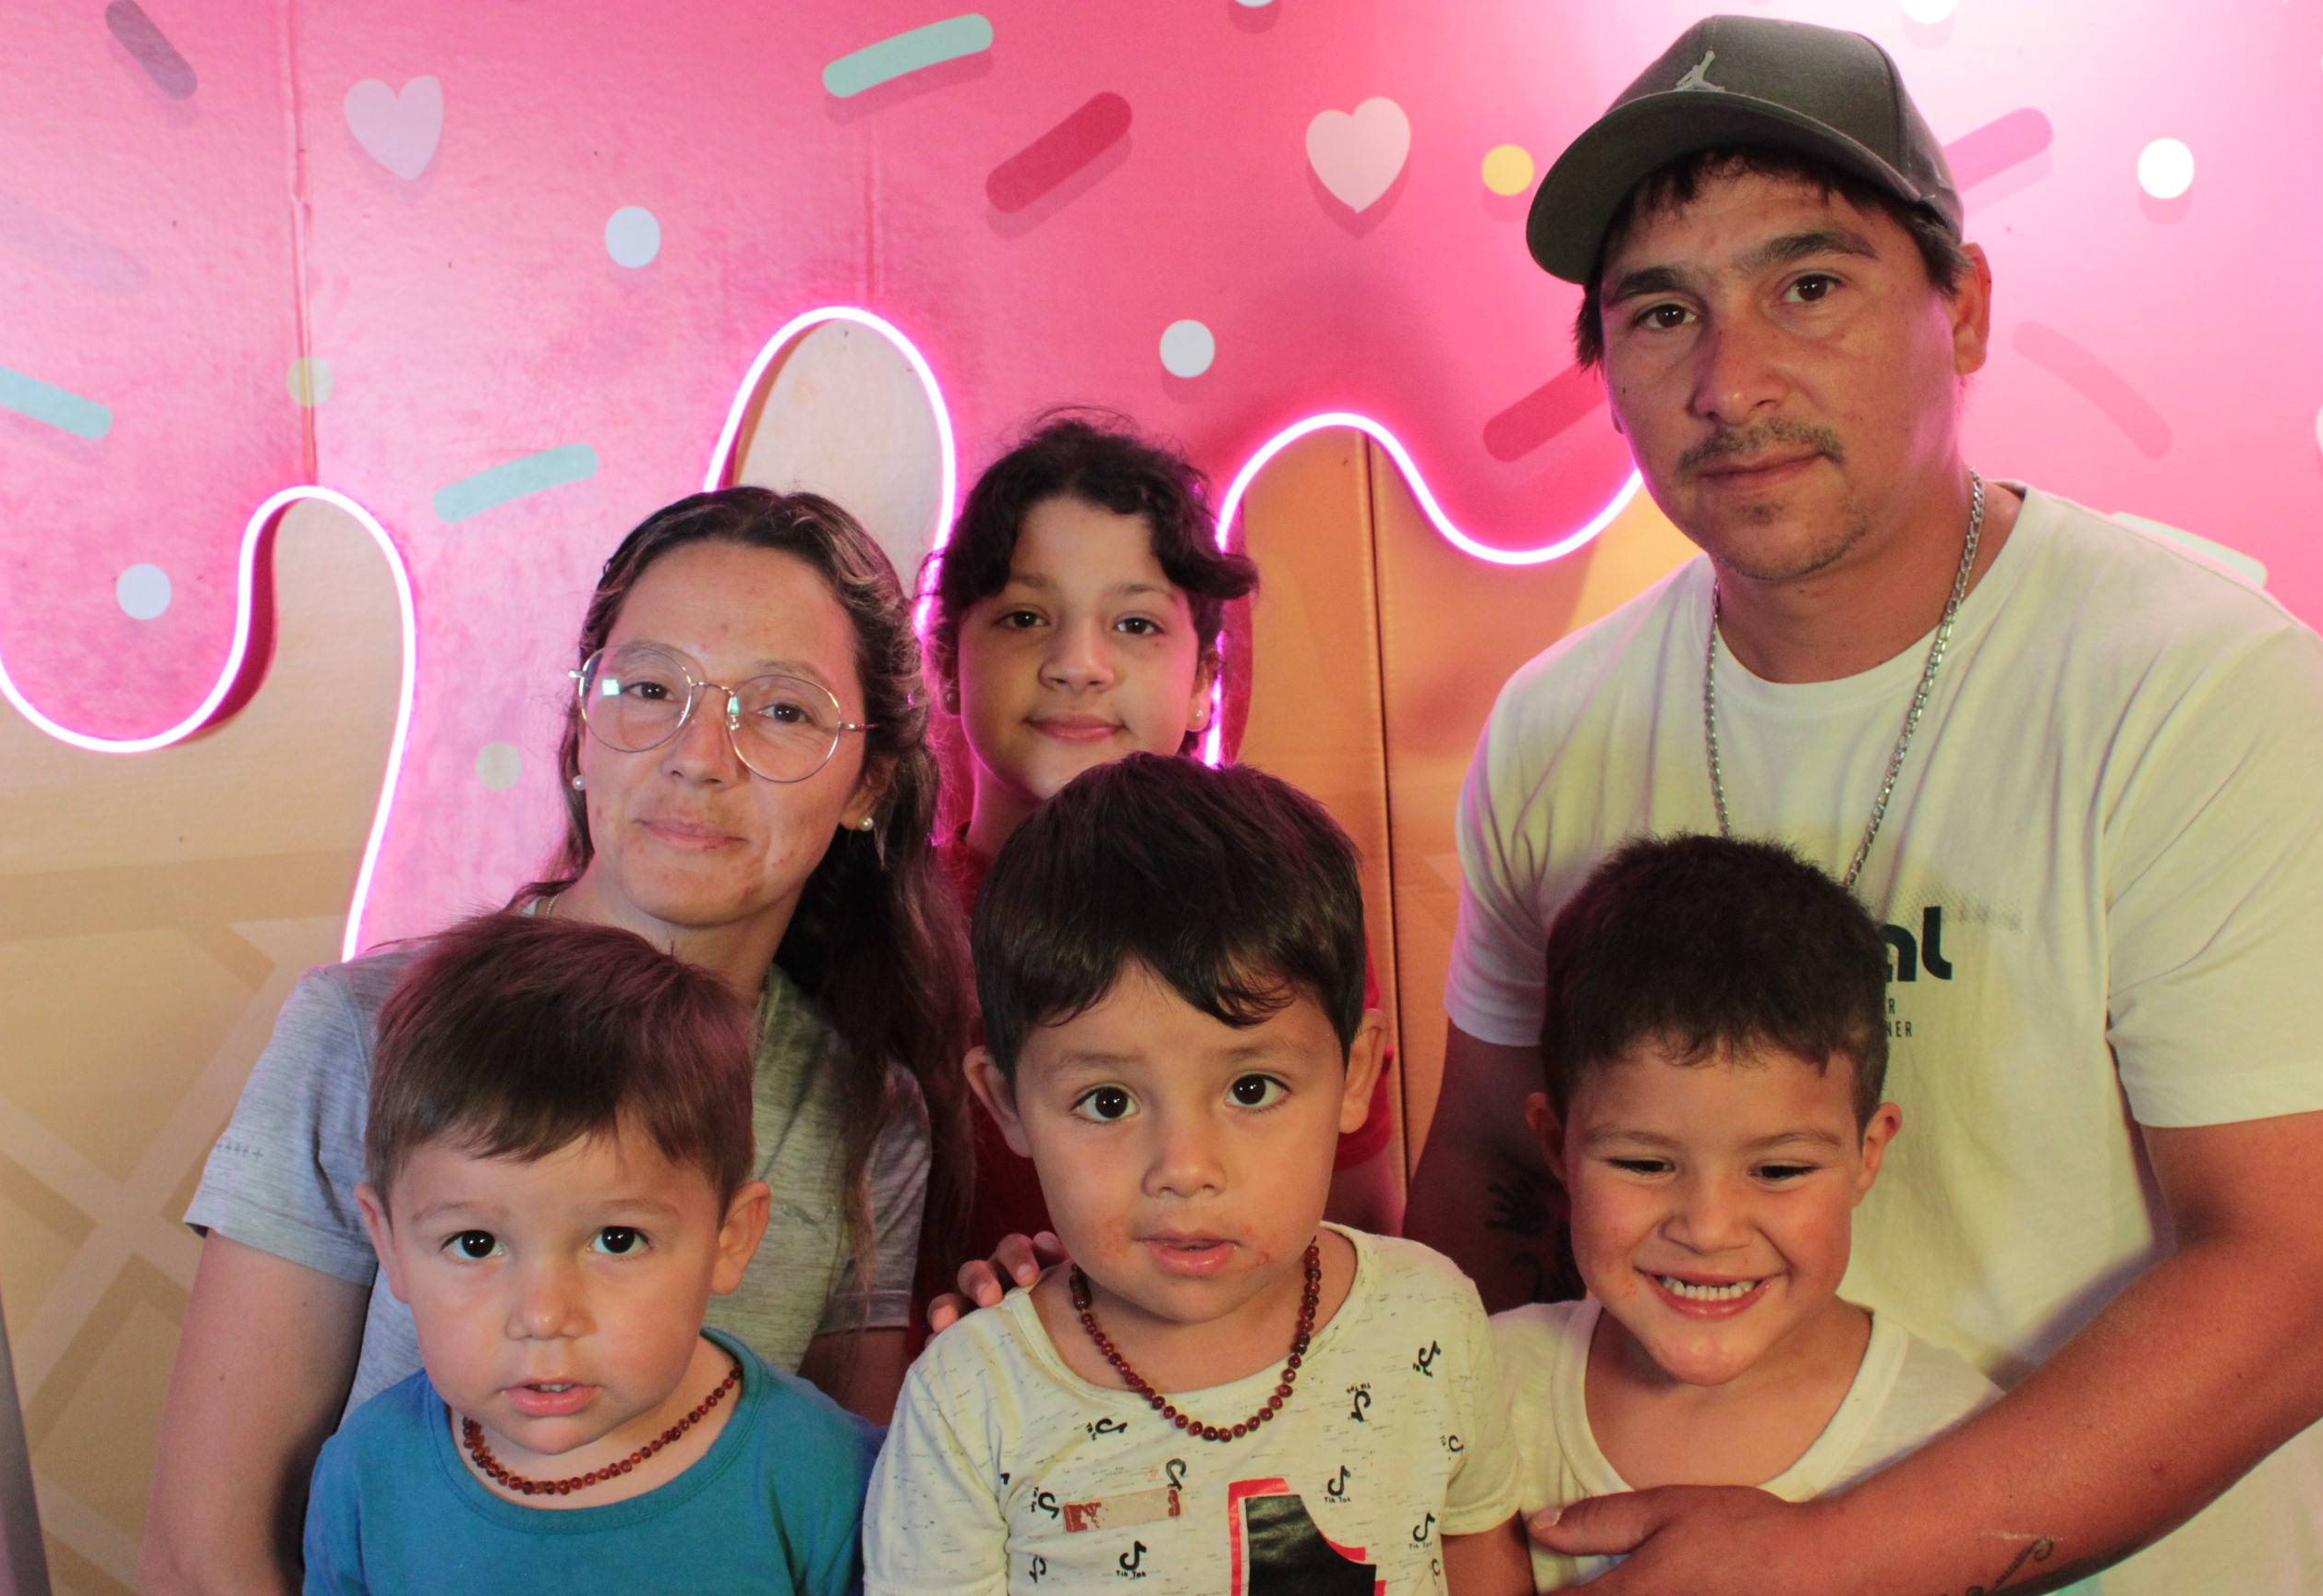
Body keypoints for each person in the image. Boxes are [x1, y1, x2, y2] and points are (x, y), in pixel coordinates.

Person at [1405, 15, 2323, 1592]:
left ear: (1964, 306)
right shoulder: (1556, 729)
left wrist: (1833, 1558)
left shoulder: (2204, 698)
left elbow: (2309, 1272)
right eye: (1661, 313)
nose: (1731, 381)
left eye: (1809, 286)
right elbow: (1489, 1183)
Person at [145, 488, 971, 1596]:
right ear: (582, 728)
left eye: (781, 711)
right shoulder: (361, 1032)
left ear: (868, 780)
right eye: (650, 689)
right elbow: (206, 1554)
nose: (699, 757)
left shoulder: (867, 1112)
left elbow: (851, 1535)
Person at [863, 755, 1529, 1594]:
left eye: (1251, 1089)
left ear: (1356, 1075)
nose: (1184, 1169)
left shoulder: (1430, 1321)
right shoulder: (970, 1402)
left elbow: (1478, 1558)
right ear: (1006, 1104)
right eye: (1108, 1102)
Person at [1503, 835, 2093, 1593]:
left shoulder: (1963, 1448)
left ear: (1868, 1155)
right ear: (1555, 1144)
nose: (1709, 1229)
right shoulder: (1473, 1386)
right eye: (1645, 1164)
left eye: (1778, 1170)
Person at [925, 410, 1398, 1278]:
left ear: (1205, 684)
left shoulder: (1278, 903)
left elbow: (1362, 1236)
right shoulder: (889, 928)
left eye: (1135, 625)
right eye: (1025, 616)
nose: (1078, 663)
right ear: (947, 664)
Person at [301, 910, 874, 1594]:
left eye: (617, 1239)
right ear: (390, 1242)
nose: (544, 1316)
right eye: (476, 1244)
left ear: (731, 1237)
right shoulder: (364, 1474)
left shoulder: (833, 1480)